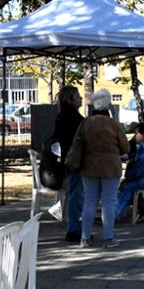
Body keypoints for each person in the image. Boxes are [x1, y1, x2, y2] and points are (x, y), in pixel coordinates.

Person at [78, 89, 129, 248]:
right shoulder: (113, 124)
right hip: (110, 166)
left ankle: (85, 238)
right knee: (109, 202)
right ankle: (108, 238)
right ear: (108, 104)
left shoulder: (85, 123)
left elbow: (78, 144)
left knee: (89, 202)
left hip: (89, 165)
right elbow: (125, 146)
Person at [50, 86, 85, 242]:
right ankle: (74, 229)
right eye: (78, 96)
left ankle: (75, 225)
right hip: (74, 161)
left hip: (68, 160)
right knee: (75, 194)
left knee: (75, 193)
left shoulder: (63, 116)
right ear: (71, 99)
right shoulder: (72, 118)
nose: (81, 99)